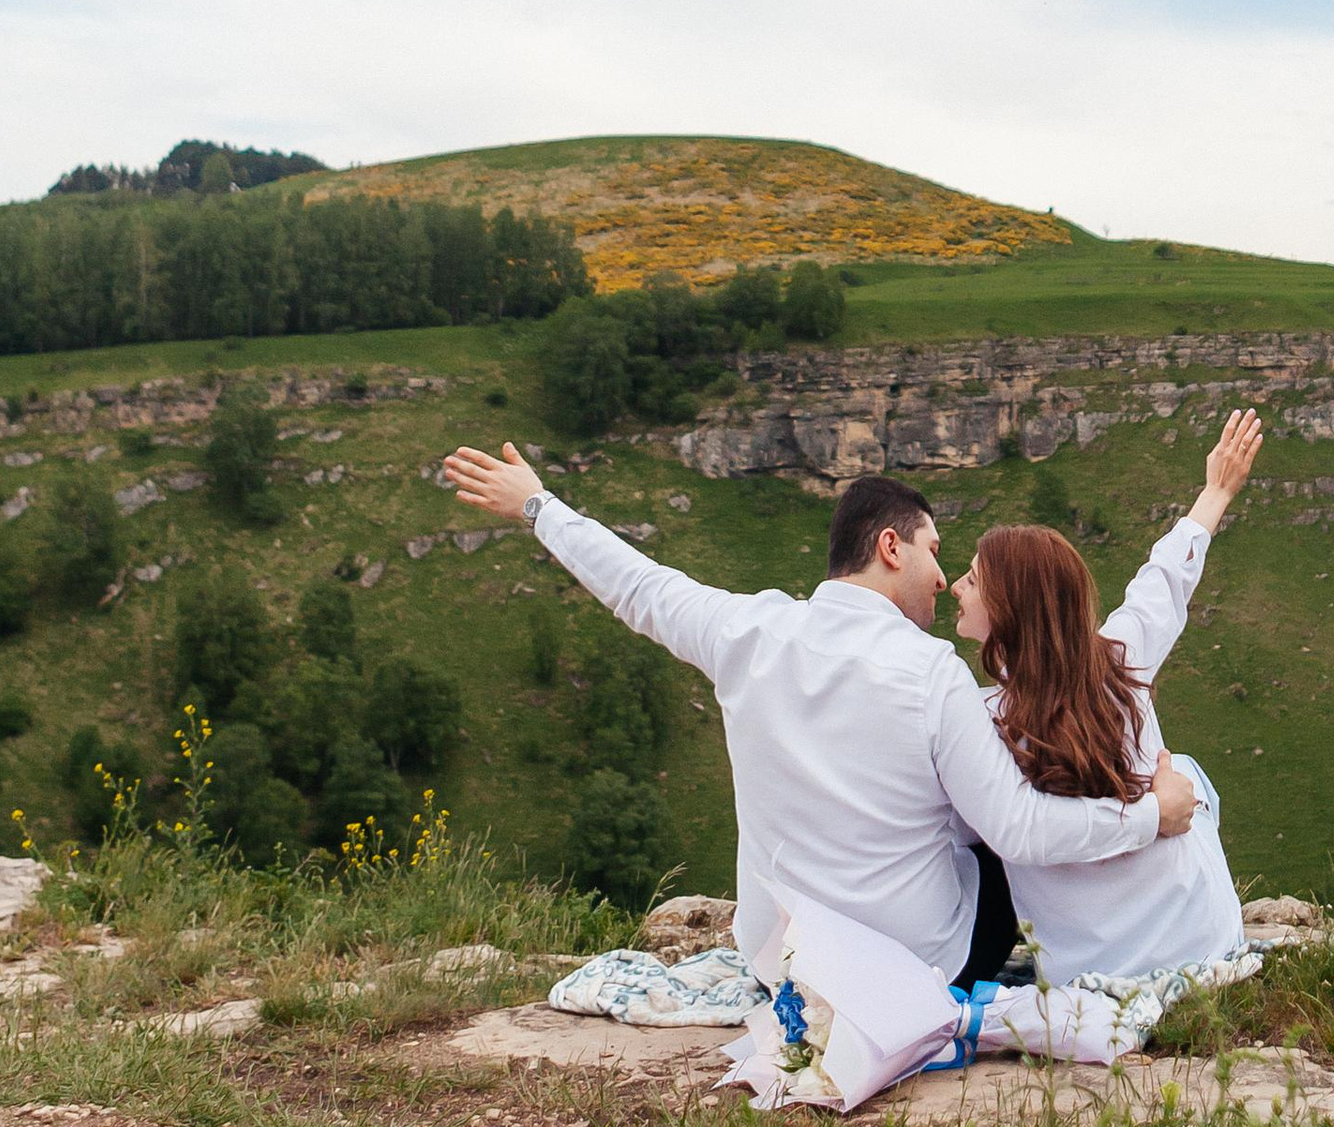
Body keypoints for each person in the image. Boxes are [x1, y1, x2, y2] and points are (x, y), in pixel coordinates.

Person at [442, 442, 1194, 987]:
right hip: (918, 967)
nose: (943, 577)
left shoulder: (745, 631)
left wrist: (538, 506)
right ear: (890, 546)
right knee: (994, 839)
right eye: (935, 551)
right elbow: (1018, 830)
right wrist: (1147, 817)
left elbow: (638, 586)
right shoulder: (932, 672)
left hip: (783, 968)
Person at [951, 407, 1262, 985]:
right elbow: (1164, 580)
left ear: (1007, 608)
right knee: (1184, 770)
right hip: (1204, 935)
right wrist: (1216, 490)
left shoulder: (982, 719)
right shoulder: (1118, 659)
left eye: (972, 579)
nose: (955, 586)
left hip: (1097, 966)